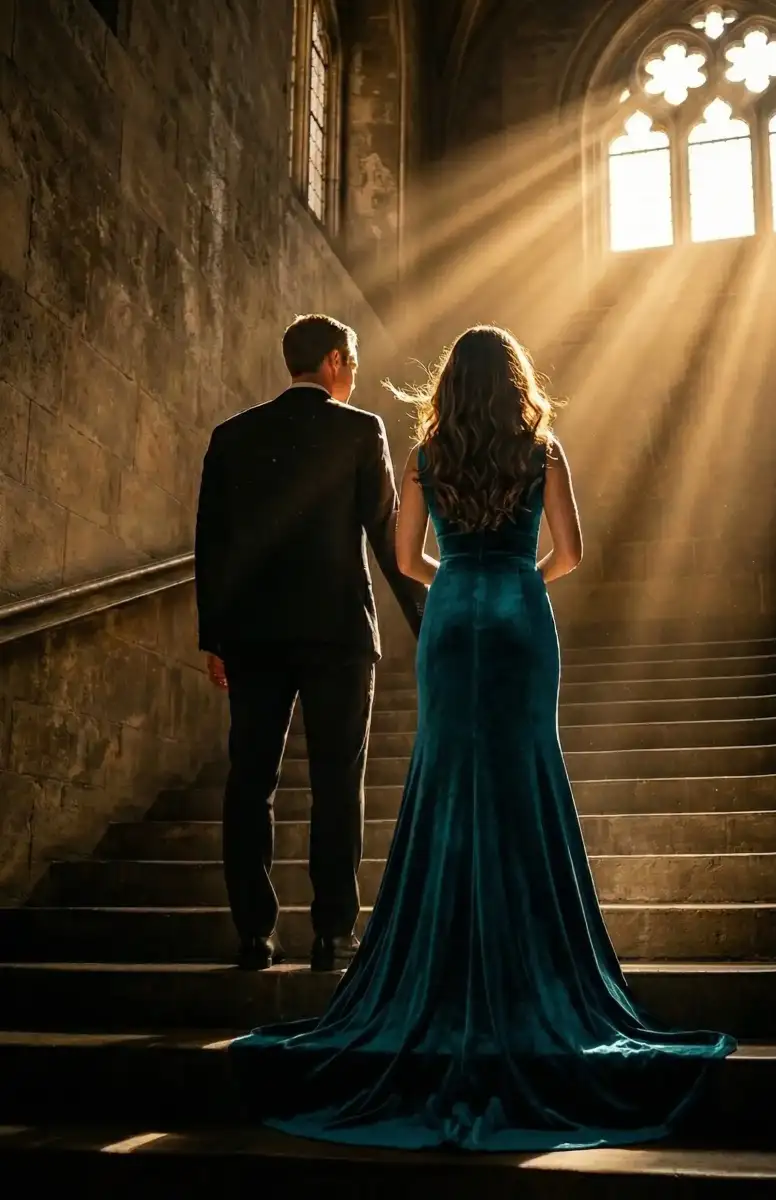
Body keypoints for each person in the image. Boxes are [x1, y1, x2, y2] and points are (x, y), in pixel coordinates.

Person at [229, 325, 735, 1148]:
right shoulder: (543, 449)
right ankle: (534, 965)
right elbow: (571, 552)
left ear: (451, 386)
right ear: (515, 381)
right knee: (524, 776)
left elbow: (405, 557)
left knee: (447, 780)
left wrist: (458, 575)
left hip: (453, 618)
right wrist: (519, 577)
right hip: (518, 618)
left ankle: (444, 959)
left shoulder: (425, 455)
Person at [194, 314, 426, 972]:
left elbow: (211, 544)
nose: (354, 375)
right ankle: (332, 934)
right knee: (336, 781)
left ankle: (254, 935)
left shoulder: (233, 436)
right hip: (338, 635)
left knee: (250, 782)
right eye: (352, 363)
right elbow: (389, 536)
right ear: (333, 362)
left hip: (254, 636)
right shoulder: (360, 430)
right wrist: (427, 622)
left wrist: (215, 637)